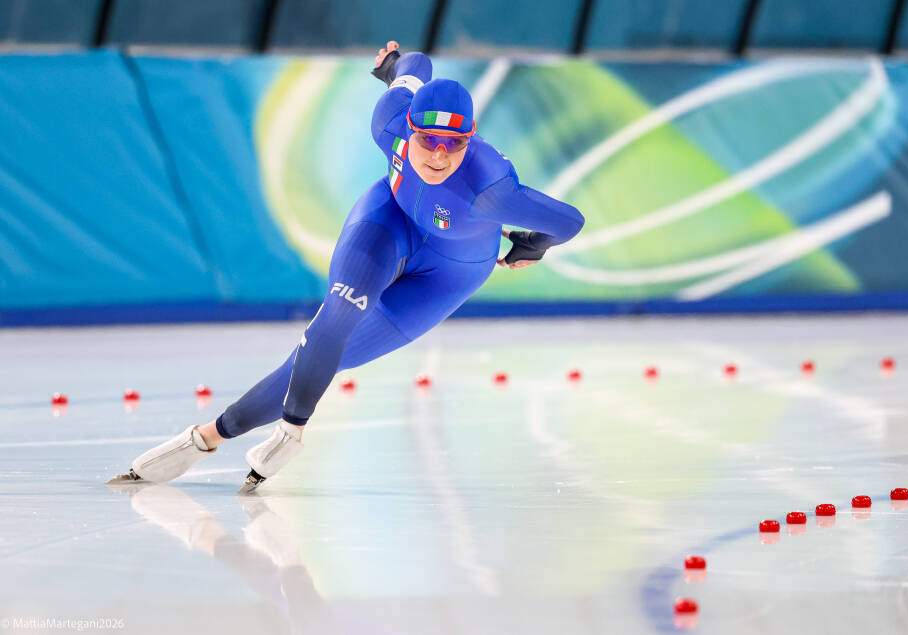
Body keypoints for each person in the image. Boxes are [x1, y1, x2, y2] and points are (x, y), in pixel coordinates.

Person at [109, 41, 584, 493]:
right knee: (335, 318)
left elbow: (569, 221)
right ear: (409, 128)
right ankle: (280, 434)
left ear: (471, 138)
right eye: (428, 140)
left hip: (452, 270)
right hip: (391, 220)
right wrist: (394, 63)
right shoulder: (388, 121)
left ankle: (212, 435)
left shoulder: (491, 189)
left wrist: (530, 246)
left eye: (454, 145)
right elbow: (415, 66)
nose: (439, 156)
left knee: (346, 354)